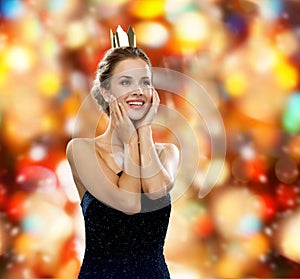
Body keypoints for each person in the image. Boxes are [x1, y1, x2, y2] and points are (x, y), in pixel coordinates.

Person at [66, 26, 180, 279]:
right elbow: (128, 203)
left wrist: (144, 131)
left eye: (144, 81)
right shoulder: (81, 149)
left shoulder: (168, 153)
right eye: (126, 81)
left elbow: (155, 190)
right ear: (106, 91)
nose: (138, 90)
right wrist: (130, 141)